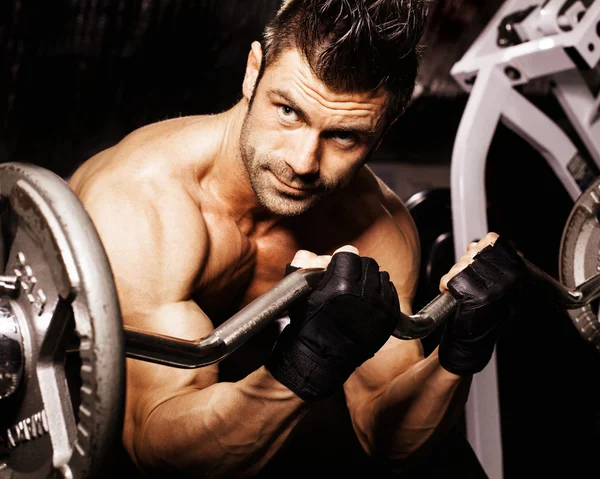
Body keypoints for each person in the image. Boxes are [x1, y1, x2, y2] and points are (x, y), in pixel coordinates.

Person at [68, 0, 529, 477]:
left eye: (345, 137)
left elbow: (384, 435)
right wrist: (308, 362)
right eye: (288, 111)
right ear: (252, 74)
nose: (304, 162)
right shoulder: (142, 206)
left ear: (384, 130)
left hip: (243, 395)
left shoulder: (377, 226)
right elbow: (153, 445)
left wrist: (460, 352)